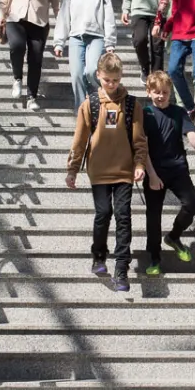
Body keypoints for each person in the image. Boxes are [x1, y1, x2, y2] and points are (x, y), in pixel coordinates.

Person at [66, 52, 148, 292]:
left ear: (121, 77)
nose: (111, 85)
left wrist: (140, 164)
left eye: (115, 80)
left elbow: (139, 140)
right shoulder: (89, 104)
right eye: (107, 80)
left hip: (124, 170)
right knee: (103, 213)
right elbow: (79, 140)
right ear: (98, 76)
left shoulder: (132, 104)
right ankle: (99, 256)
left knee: (123, 216)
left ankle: (122, 269)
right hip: (99, 170)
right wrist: (73, 169)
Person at [142, 70, 195, 276]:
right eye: (156, 92)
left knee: (192, 203)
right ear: (149, 92)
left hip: (177, 168)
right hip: (154, 171)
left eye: (164, 92)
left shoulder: (179, 112)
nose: (161, 96)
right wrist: (151, 175)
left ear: (170, 91)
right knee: (153, 217)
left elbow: (192, 136)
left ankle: (173, 236)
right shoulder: (145, 114)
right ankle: (154, 259)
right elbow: (142, 147)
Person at [53, 0, 117, 110]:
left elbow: (109, 17)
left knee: (91, 71)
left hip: (97, 37)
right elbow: (63, 18)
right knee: (76, 75)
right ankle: (81, 110)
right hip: (76, 38)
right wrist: (59, 43)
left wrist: (110, 42)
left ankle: (97, 97)